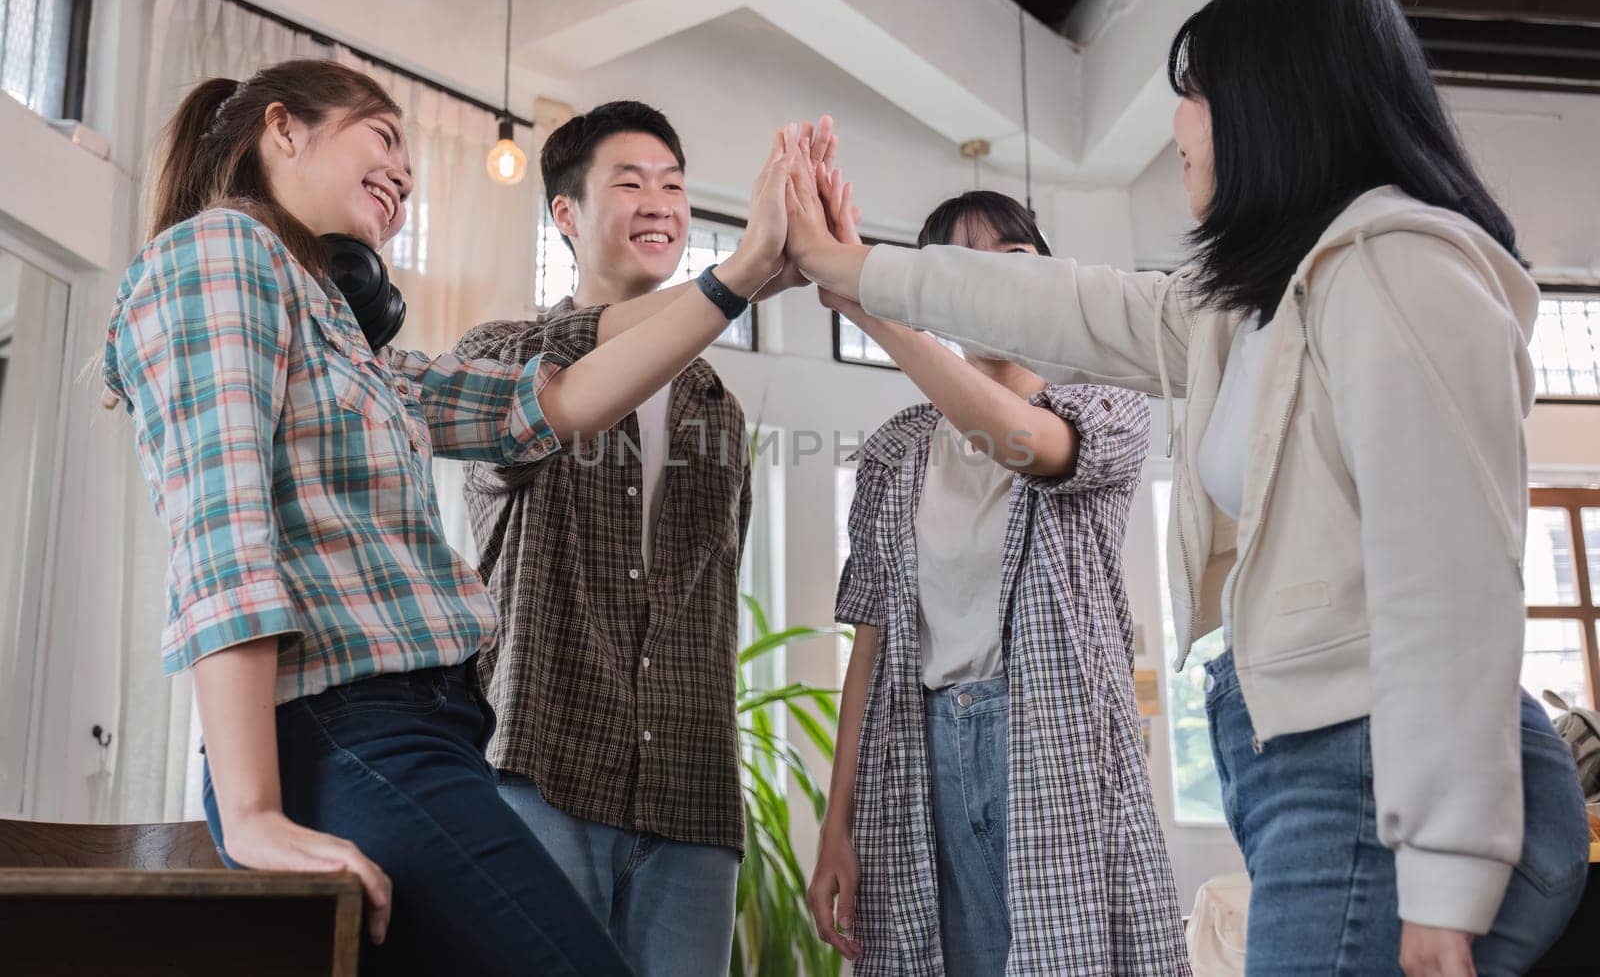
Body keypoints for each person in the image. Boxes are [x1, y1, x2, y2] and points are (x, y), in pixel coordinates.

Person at [785, 0, 1590, 977]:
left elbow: (1449, 588)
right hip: (1296, 764)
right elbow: (1068, 304)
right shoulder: (1248, 307)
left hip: (1373, 771)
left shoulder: (1399, 267)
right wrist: (849, 266)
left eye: (1194, 94)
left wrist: (1439, 881)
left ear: (1272, 100)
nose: (1177, 127)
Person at [101, 59, 804, 976]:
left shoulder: (353, 344)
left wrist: (744, 274)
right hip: (348, 725)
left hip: (431, 729)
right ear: (283, 129)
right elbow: (221, 537)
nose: (401, 172)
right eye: (383, 137)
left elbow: (561, 402)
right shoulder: (219, 253)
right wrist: (253, 811)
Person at [451, 102, 830, 976]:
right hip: (541, 770)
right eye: (629, 182)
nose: (660, 201)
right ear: (566, 215)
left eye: (674, 184)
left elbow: (714, 602)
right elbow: (556, 368)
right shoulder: (502, 354)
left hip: (693, 801)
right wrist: (736, 276)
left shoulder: (719, 411)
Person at [805, 187, 1191, 976]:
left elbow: (1024, 443)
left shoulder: (1104, 404)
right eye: (961, 267)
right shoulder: (896, 452)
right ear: (934, 291)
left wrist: (873, 307)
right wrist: (835, 823)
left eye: (1013, 261)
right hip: (922, 753)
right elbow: (870, 645)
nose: (992, 285)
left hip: (1056, 744)